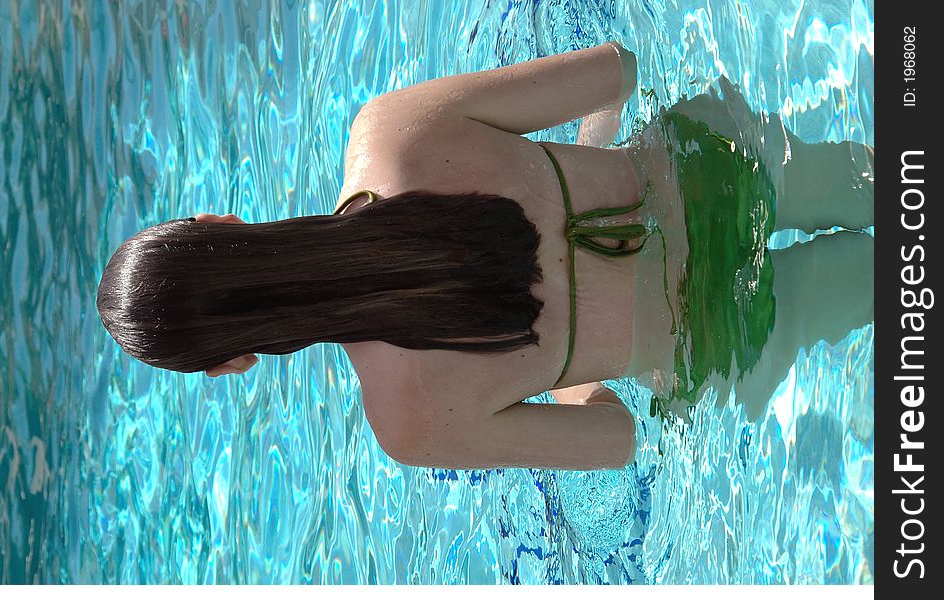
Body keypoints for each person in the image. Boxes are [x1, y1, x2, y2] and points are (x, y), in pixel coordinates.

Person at [96, 43, 874, 471]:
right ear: (219, 218)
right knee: (892, 182)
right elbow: (617, 71)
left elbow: (618, 443)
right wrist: (585, 160)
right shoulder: (389, 132)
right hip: (711, 174)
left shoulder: (405, 423)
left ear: (227, 365)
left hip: (718, 334)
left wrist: (575, 366)